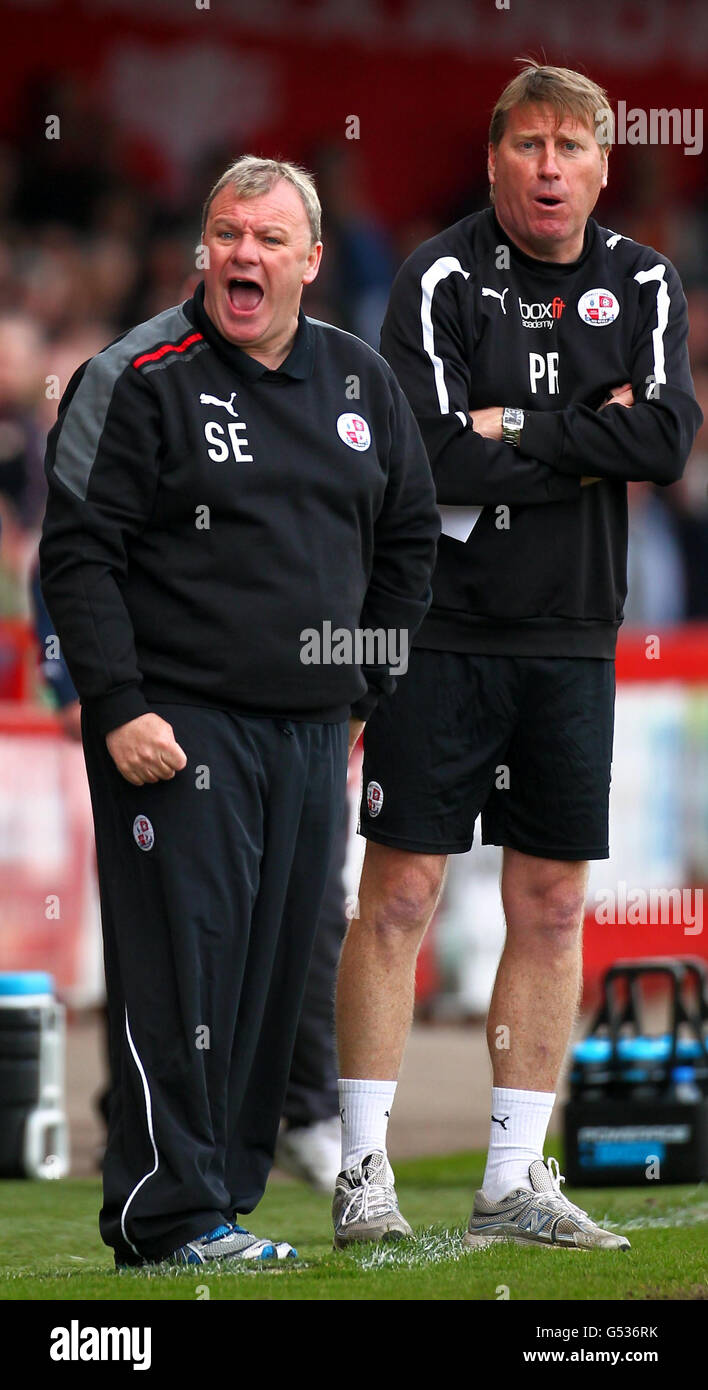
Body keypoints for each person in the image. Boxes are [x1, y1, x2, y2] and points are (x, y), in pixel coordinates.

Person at [39, 156, 439, 1268]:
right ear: (201, 249)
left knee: (273, 984)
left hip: (315, 732)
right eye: (227, 234)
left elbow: (409, 540)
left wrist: (364, 682)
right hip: (177, 727)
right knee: (185, 970)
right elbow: (77, 557)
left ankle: (223, 1206)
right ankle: (167, 1212)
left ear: (313, 260)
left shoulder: (362, 384)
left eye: (269, 239)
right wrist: (117, 704)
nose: (243, 256)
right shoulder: (135, 375)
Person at [333, 63, 702, 1252]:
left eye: (573, 147)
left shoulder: (644, 282)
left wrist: (523, 428)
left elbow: (666, 437)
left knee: (549, 905)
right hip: (438, 627)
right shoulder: (442, 277)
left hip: (571, 634)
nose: (550, 167)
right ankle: (361, 1170)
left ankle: (512, 1175)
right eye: (530, 145)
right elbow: (427, 456)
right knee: (400, 893)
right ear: (494, 159)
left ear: (604, 164)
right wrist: (586, 438)